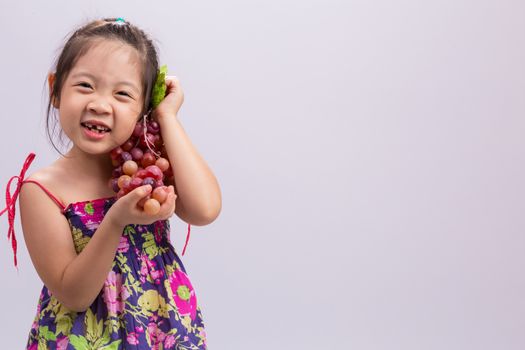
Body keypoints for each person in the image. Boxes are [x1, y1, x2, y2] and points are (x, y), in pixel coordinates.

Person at [0, 17, 221, 349]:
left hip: (161, 331)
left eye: (122, 93)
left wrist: (167, 117)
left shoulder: (146, 170)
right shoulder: (42, 190)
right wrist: (116, 219)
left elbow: (205, 210)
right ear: (55, 90)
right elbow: (74, 294)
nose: (100, 104)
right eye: (85, 86)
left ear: (143, 108)